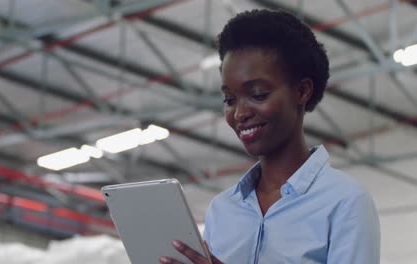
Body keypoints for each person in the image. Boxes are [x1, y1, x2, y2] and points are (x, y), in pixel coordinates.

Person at [159, 9, 380, 264]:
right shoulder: (223, 210)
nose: (239, 113)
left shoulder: (345, 202)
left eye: (259, 94)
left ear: (302, 91)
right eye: (229, 100)